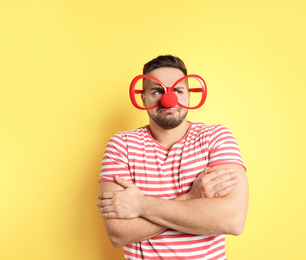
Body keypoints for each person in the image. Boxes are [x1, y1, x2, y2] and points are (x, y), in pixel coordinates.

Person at [97, 55, 249, 260]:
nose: (168, 99)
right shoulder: (121, 145)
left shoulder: (215, 137)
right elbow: (118, 233)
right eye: (157, 90)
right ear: (142, 97)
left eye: (177, 90)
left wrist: (141, 205)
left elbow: (232, 219)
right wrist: (191, 198)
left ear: (189, 96)